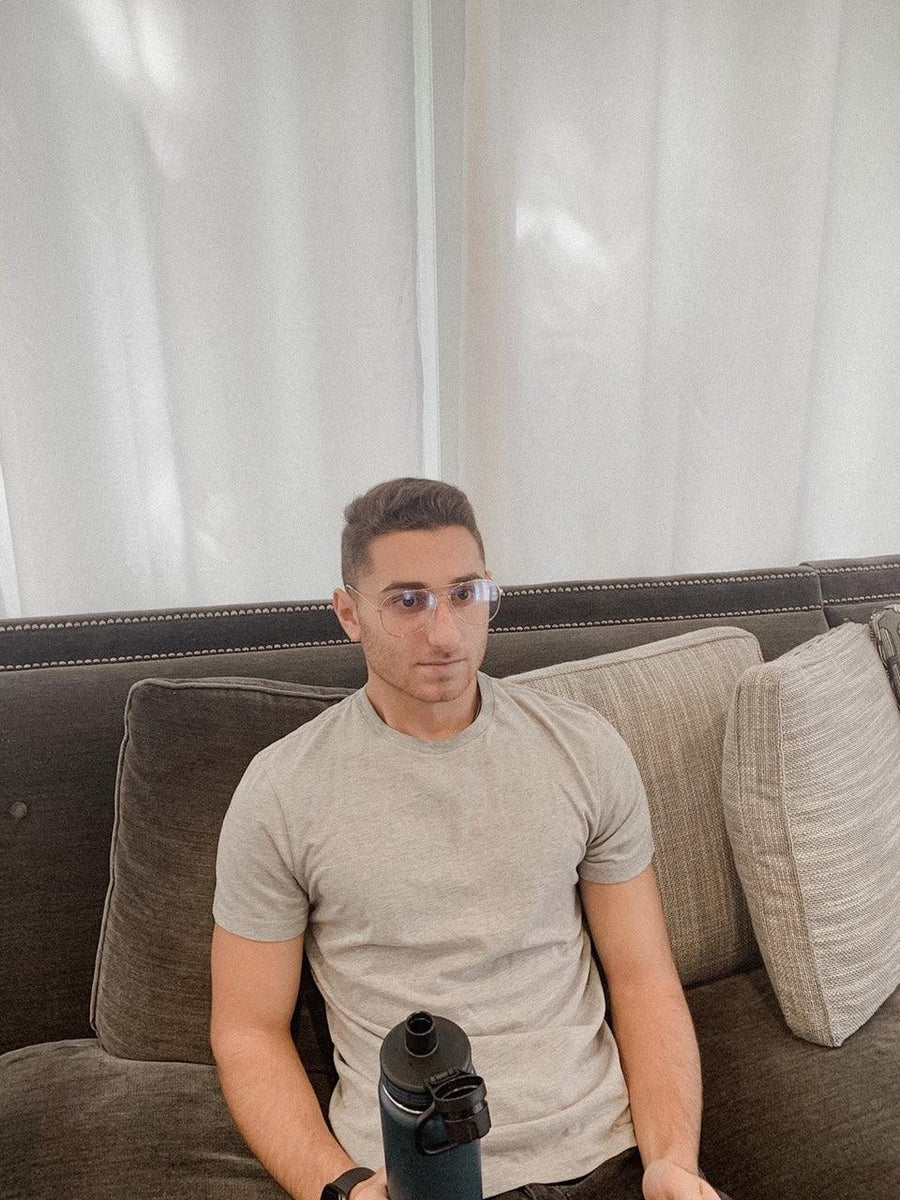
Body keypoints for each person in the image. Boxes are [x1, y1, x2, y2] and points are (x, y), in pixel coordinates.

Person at [210, 477, 733, 1200]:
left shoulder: (584, 750)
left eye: (464, 594)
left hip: (608, 1160)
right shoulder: (281, 792)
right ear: (349, 614)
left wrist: (673, 1161)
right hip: (416, 1178)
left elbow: (643, 976)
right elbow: (247, 1029)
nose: (446, 633)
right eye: (408, 601)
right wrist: (341, 1189)